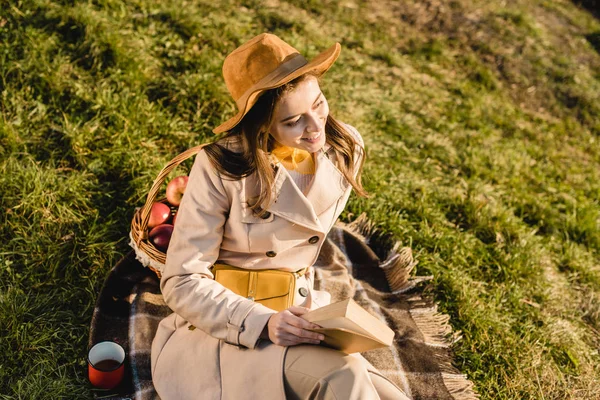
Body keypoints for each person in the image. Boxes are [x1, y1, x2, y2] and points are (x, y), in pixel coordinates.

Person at [151, 33, 410, 400]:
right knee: (344, 378)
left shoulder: (346, 149)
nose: (316, 127)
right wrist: (263, 322)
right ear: (261, 127)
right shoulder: (220, 167)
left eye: (319, 104)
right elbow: (181, 280)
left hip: (300, 311)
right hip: (229, 325)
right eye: (293, 121)